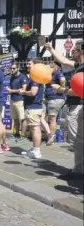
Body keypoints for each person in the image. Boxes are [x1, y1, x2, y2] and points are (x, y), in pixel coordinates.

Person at [47, 40, 83, 180]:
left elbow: (80, 90)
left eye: (74, 50)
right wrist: (50, 49)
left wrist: (61, 89)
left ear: (81, 51)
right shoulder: (78, 65)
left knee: (77, 141)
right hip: (75, 106)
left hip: (78, 106)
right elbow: (62, 59)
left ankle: (79, 171)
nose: (72, 52)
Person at [19, 58, 45, 159]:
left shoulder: (35, 77)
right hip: (33, 107)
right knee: (34, 128)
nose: (28, 66)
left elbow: (33, 92)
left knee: (35, 129)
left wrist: (23, 92)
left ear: (36, 65)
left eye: (30, 64)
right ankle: (35, 148)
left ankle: (36, 151)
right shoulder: (36, 77)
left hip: (33, 107)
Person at [44, 62, 66, 146]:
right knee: (46, 118)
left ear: (55, 67)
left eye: (50, 66)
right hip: (51, 98)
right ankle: (50, 134)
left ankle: (51, 136)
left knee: (52, 118)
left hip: (55, 99)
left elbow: (63, 79)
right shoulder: (51, 74)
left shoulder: (57, 73)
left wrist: (60, 89)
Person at [6, 62, 28, 141]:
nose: (12, 70)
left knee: (22, 118)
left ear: (18, 68)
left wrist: (11, 91)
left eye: (14, 68)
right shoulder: (12, 77)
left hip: (20, 100)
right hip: (13, 99)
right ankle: (16, 133)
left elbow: (24, 89)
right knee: (15, 118)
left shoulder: (23, 77)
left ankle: (23, 134)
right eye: (11, 68)